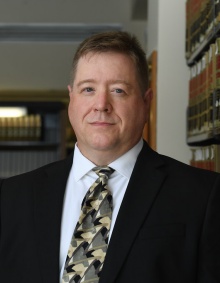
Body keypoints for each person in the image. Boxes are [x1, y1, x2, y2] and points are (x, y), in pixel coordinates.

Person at [0, 31, 220, 283]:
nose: (101, 104)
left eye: (118, 90)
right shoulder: (11, 197)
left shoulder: (202, 196)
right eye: (88, 89)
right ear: (72, 98)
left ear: (146, 102)